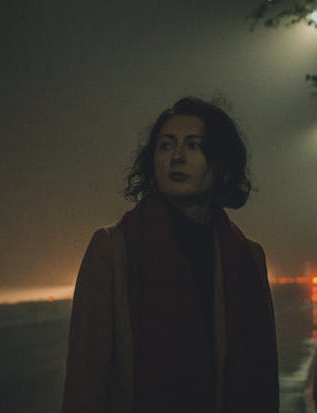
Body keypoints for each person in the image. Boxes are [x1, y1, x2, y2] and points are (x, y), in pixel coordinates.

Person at [62, 97, 278, 413]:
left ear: (220, 165)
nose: (176, 157)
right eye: (165, 146)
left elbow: (264, 378)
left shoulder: (248, 258)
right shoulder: (112, 250)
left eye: (193, 146)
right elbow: (86, 385)